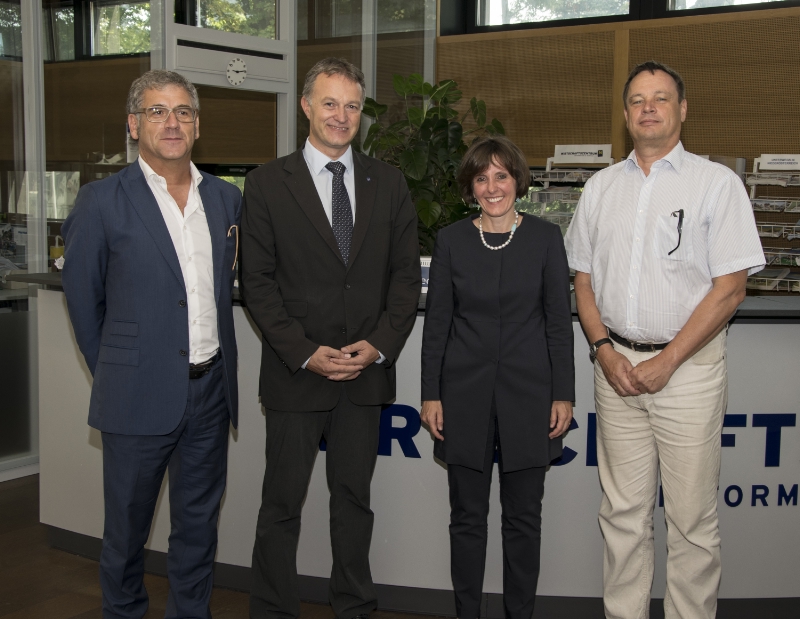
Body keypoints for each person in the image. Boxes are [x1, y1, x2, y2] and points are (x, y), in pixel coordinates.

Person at [564, 61, 765, 619]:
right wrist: (604, 350)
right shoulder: (601, 188)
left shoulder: (716, 184)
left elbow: (731, 289)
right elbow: (583, 280)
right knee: (622, 514)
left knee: (691, 521)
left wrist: (668, 361)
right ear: (626, 114)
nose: (648, 107)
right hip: (616, 370)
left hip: (688, 371)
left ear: (682, 109)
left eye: (660, 98)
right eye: (637, 100)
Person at [241, 57, 421, 619]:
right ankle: (272, 610)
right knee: (280, 507)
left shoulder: (388, 183)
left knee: (354, 504)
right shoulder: (266, 184)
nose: (341, 116)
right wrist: (303, 352)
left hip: (363, 376)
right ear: (305, 106)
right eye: (329, 103)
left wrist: (379, 345)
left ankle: (355, 607)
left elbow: (405, 279)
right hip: (296, 375)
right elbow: (257, 283)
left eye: (352, 105)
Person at [61, 70, 242, 618]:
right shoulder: (100, 201)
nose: (172, 122)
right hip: (136, 395)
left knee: (198, 529)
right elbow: (84, 304)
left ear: (197, 125)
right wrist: (120, 372)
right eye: (157, 111)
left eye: (183, 111)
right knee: (126, 534)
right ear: (133, 124)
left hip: (211, 393)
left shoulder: (225, 199)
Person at [420, 135, 575, 619]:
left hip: (530, 398)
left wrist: (563, 394)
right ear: (470, 187)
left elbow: (558, 323)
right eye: (482, 178)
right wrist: (430, 394)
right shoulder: (451, 241)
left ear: (517, 181)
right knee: (466, 520)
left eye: (501, 176)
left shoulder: (546, 239)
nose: (492, 187)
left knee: (523, 521)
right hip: (462, 398)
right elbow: (437, 324)